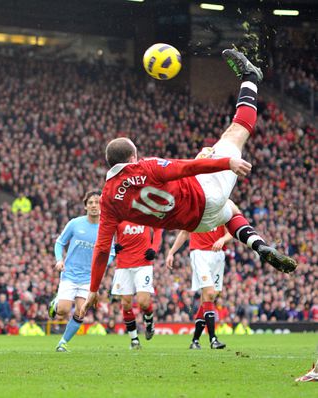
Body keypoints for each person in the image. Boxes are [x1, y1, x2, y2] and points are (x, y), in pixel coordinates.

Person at [83, 50, 297, 315]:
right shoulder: (146, 166)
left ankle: (257, 244)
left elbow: (102, 249)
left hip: (197, 223)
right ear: (132, 156)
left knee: (230, 210)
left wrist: (93, 289)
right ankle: (250, 77)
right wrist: (225, 163)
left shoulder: (108, 200)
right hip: (205, 194)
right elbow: (187, 167)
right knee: (235, 134)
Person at [48, 191, 114, 352]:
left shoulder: (106, 227)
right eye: (90, 202)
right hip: (70, 274)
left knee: (81, 311)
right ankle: (55, 304)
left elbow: (111, 253)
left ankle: (62, 343)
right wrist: (59, 260)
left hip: (88, 279)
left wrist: (102, 267)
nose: (94, 205)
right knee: (63, 310)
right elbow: (59, 242)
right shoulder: (75, 224)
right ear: (85, 206)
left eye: (97, 202)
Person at [166, 226, 233, 350]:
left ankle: (195, 340)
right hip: (200, 253)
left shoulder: (222, 210)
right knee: (210, 293)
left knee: (208, 298)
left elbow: (231, 233)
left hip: (218, 256)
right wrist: (171, 252)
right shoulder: (196, 211)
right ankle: (213, 339)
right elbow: (184, 232)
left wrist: (222, 239)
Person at [111, 221, 162, 349]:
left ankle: (149, 320)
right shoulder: (119, 212)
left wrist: (153, 248)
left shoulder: (145, 210)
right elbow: (105, 233)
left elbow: (158, 229)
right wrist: (113, 246)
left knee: (143, 302)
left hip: (143, 263)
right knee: (126, 303)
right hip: (123, 265)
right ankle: (134, 340)